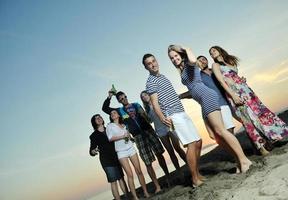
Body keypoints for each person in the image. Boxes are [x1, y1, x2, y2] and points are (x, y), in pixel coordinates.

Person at [167, 45, 252, 174]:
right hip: (203, 100)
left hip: (207, 97)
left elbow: (193, 59)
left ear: (181, 55)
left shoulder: (189, 64)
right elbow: (192, 90)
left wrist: (183, 48)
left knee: (221, 131)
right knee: (216, 135)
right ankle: (239, 161)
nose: (174, 59)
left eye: (176, 56)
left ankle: (244, 160)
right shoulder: (183, 69)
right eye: (171, 58)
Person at [209, 45, 288, 154]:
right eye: (210, 52)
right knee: (247, 120)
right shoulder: (215, 65)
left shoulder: (229, 62)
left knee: (260, 114)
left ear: (219, 50)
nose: (212, 52)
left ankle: (272, 138)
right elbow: (222, 82)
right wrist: (233, 95)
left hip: (247, 91)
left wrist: (240, 79)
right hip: (235, 93)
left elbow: (233, 74)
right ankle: (261, 147)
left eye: (213, 50)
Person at [143, 53, 204, 187]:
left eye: (154, 61)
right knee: (191, 144)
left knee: (198, 142)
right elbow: (154, 103)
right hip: (172, 115)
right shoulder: (150, 82)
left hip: (181, 112)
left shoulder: (163, 77)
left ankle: (197, 173)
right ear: (146, 67)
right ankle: (194, 179)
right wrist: (163, 118)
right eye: (149, 63)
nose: (153, 64)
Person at [102, 91, 168, 192]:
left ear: (126, 96)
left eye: (123, 97)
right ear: (119, 101)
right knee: (147, 162)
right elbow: (105, 108)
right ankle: (157, 186)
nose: (123, 100)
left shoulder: (136, 104)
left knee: (159, 155)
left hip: (148, 131)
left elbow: (147, 116)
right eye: (120, 99)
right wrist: (110, 96)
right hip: (137, 136)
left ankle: (167, 177)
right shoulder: (119, 110)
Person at [179, 55, 236, 138]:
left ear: (207, 60)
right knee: (228, 130)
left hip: (230, 100)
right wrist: (180, 96)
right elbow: (193, 92)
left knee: (245, 122)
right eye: (199, 61)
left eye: (203, 59)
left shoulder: (216, 70)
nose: (202, 62)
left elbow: (229, 77)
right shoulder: (198, 78)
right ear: (197, 64)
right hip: (218, 104)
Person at [106, 110, 150, 200]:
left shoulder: (124, 125)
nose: (112, 114)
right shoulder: (110, 126)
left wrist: (130, 137)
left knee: (139, 171)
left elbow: (128, 136)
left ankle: (146, 192)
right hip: (121, 152)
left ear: (118, 115)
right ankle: (135, 197)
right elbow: (110, 138)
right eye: (111, 114)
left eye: (114, 113)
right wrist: (122, 137)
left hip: (131, 148)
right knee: (130, 175)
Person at [140, 90, 187, 172]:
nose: (144, 97)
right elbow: (150, 121)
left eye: (145, 95)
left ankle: (190, 164)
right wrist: (144, 116)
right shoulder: (147, 110)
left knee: (177, 148)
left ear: (149, 95)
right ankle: (179, 172)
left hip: (169, 126)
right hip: (160, 131)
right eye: (142, 97)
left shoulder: (158, 102)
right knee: (170, 152)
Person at [89, 114, 128, 200]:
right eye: (96, 119)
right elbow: (91, 150)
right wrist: (93, 151)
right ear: (94, 122)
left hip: (116, 156)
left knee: (121, 178)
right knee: (113, 181)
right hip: (106, 160)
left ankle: (128, 197)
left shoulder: (110, 128)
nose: (99, 119)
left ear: (103, 119)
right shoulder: (93, 136)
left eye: (100, 117)